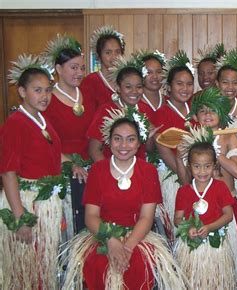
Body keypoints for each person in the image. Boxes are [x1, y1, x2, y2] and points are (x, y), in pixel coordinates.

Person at [61, 117, 188, 290]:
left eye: (130, 139)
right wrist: (112, 242)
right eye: (117, 138)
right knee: (98, 260)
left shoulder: (148, 171)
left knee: (138, 260)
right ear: (109, 141)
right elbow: (91, 216)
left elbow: (146, 217)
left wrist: (127, 247)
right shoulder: (98, 170)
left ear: (138, 144)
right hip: (102, 234)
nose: (123, 145)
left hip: (136, 235)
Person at [0, 54, 87, 289]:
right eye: (37, 90)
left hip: (46, 203)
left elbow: (52, 152)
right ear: (22, 92)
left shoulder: (41, 119)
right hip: (28, 204)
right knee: (27, 269)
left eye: (48, 90)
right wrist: (20, 218)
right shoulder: (16, 124)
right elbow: (8, 173)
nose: (45, 96)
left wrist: (72, 164)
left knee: (43, 267)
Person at [181, 87, 237, 279]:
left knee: (230, 263)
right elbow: (186, 178)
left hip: (226, 202)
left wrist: (215, 152)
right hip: (199, 205)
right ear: (196, 114)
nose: (207, 115)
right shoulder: (191, 138)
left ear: (222, 112)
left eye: (212, 110)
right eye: (202, 110)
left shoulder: (230, 136)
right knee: (202, 264)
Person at [43, 34, 95, 234]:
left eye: (82, 68)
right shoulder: (48, 100)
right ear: (58, 69)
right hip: (62, 167)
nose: (80, 72)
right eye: (73, 67)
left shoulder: (87, 93)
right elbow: (46, 141)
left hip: (88, 165)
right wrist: (70, 165)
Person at [174, 130, 236, 289]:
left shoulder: (220, 187)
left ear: (214, 165)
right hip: (191, 245)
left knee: (214, 282)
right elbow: (177, 218)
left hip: (214, 246)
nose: (202, 171)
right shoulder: (183, 191)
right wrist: (188, 228)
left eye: (207, 166)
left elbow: (228, 215)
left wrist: (209, 227)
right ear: (189, 166)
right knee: (192, 281)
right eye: (197, 166)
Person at [149, 50, 196, 241]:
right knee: (178, 229)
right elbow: (162, 147)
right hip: (175, 176)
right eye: (179, 83)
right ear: (168, 87)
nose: (185, 88)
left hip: (198, 173)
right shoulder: (161, 114)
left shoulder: (197, 109)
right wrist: (184, 177)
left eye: (189, 84)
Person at [87, 56, 153, 162]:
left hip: (138, 169)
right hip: (110, 168)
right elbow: (94, 150)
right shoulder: (106, 110)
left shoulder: (145, 110)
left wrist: (150, 135)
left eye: (139, 87)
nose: (134, 91)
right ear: (118, 88)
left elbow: (149, 149)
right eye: (128, 87)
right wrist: (109, 173)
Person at [80, 25, 125, 108]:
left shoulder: (127, 79)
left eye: (118, 52)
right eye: (108, 52)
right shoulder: (90, 82)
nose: (114, 57)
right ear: (99, 55)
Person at [216, 48, 237, 119]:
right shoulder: (207, 106)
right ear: (217, 83)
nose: (230, 87)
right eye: (225, 82)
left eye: (235, 83)